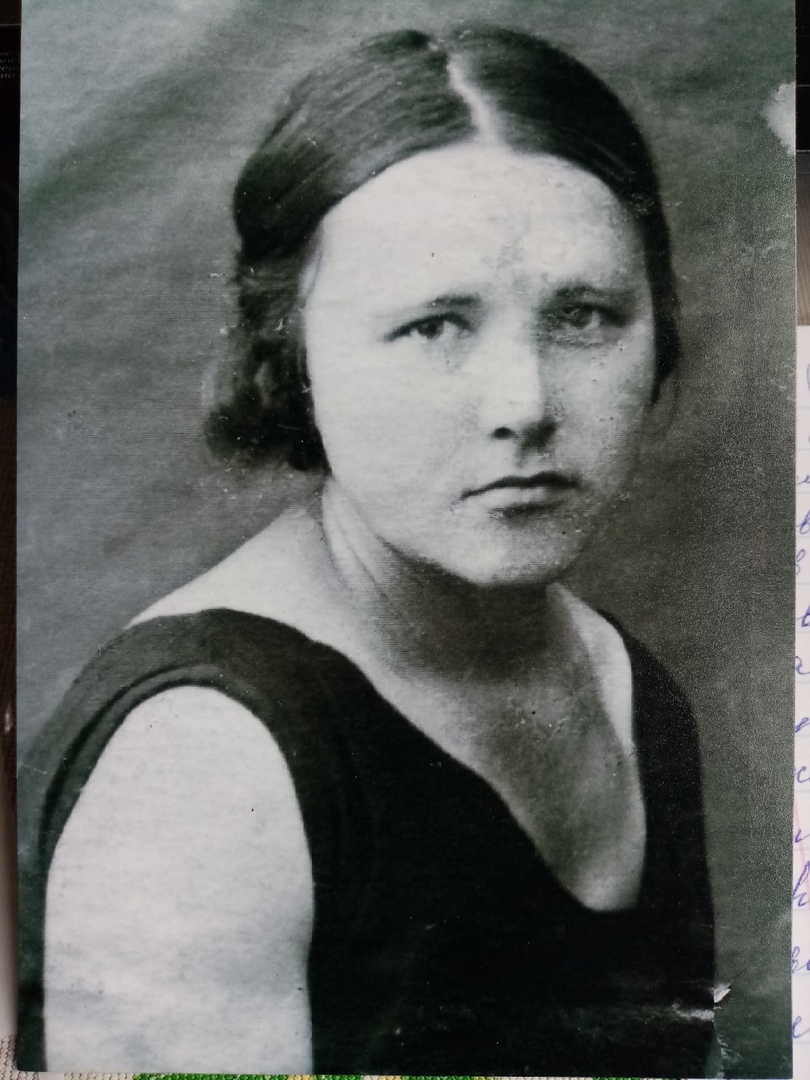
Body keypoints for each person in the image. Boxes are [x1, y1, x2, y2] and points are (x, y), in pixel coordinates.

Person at [18, 24, 716, 1076]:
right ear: (291, 352)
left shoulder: (626, 685)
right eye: (435, 325)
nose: (524, 403)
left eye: (584, 315)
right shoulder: (201, 766)